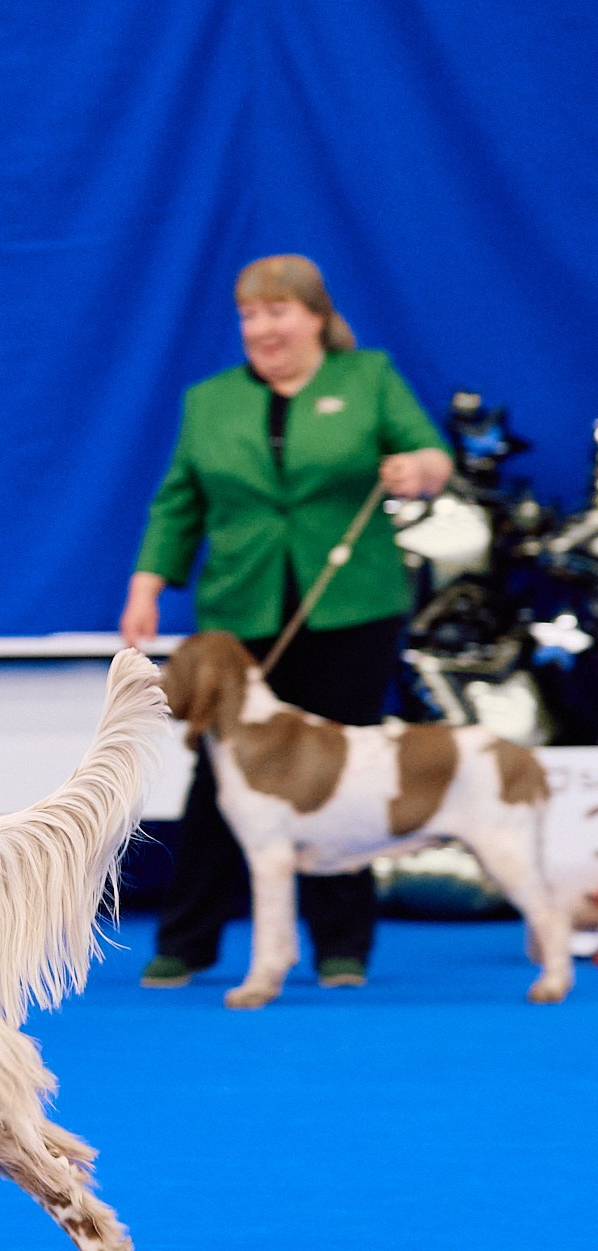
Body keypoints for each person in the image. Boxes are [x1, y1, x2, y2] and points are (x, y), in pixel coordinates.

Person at [121, 254, 452, 989]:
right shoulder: (209, 401)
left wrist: (418, 470)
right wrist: (147, 585)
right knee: (218, 781)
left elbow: (430, 454)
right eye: (249, 315)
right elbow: (179, 501)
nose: (262, 328)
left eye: (277, 312)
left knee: (347, 775)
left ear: (315, 316)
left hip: (350, 607)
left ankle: (341, 946)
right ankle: (188, 941)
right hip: (240, 614)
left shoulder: (367, 378)